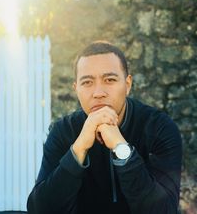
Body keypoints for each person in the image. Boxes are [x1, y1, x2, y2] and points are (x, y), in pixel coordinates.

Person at [27, 41, 182, 214]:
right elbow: (39, 209)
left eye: (109, 80)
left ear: (127, 84)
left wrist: (121, 149)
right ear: (76, 88)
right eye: (87, 82)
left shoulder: (158, 128)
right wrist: (78, 149)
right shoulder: (63, 131)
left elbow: (165, 210)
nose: (98, 92)